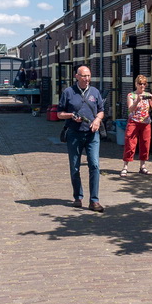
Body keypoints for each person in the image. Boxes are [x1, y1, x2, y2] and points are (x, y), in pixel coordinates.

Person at [57, 65, 106, 212]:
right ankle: (78, 197)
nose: (87, 79)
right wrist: (71, 116)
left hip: (92, 134)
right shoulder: (68, 92)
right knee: (75, 167)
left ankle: (94, 201)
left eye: (89, 76)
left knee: (95, 165)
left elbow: (101, 111)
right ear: (76, 76)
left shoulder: (95, 92)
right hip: (74, 133)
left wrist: (97, 120)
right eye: (84, 76)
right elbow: (59, 113)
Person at [121, 75, 152, 177]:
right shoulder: (131, 95)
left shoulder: (147, 95)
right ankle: (125, 166)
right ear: (136, 84)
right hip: (133, 121)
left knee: (145, 143)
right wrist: (137, 100)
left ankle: (142, 166)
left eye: (144, 84)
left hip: (145, 122)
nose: (142, 86)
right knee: (130, 142)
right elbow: (131, 109)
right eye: (140, 83)